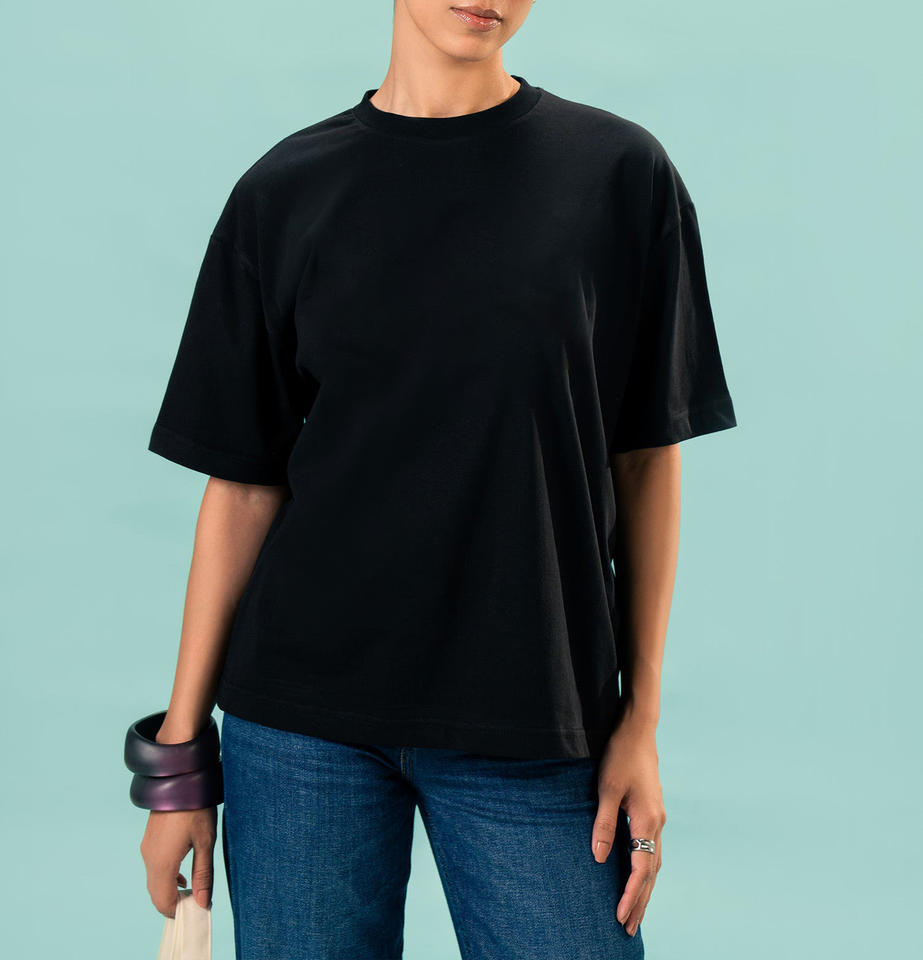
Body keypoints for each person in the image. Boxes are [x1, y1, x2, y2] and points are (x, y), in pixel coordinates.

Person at [129, 2, 738, 958]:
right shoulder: (284, 191)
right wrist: (180, 766)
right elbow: (243, 488)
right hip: (300, 730)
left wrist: (640, 720)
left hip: (535, 716)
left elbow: (644, 457)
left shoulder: (618, 175)